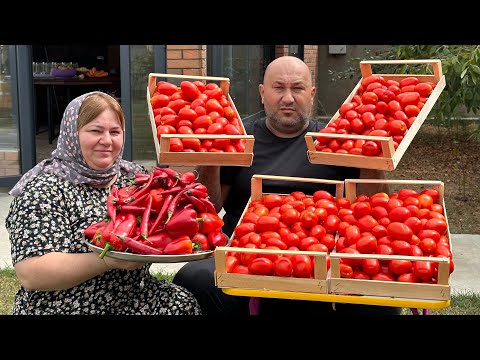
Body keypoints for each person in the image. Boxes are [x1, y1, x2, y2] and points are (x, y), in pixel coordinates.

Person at [172, 56, 402, 316]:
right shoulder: (237, 139)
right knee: (193, 279)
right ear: (262, 93)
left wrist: (373, 158)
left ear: (312, 94)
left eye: (298, 88)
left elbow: (374, 207)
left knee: (381, 299)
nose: (288, 98)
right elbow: (209, 209)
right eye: (278, 88)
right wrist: (211, 156)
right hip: (246, 253)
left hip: (322, 255)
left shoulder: (336, 140)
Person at [6, 91, 201, 315]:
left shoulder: (135, 178)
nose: (107, 141)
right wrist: (107, 261)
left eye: (115, 132)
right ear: (72, 134)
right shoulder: (45, 188)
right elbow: (31, 274)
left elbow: (170, 224)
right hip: (64, 305)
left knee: (182, 302)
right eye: (95, 131)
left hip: (133, 298)